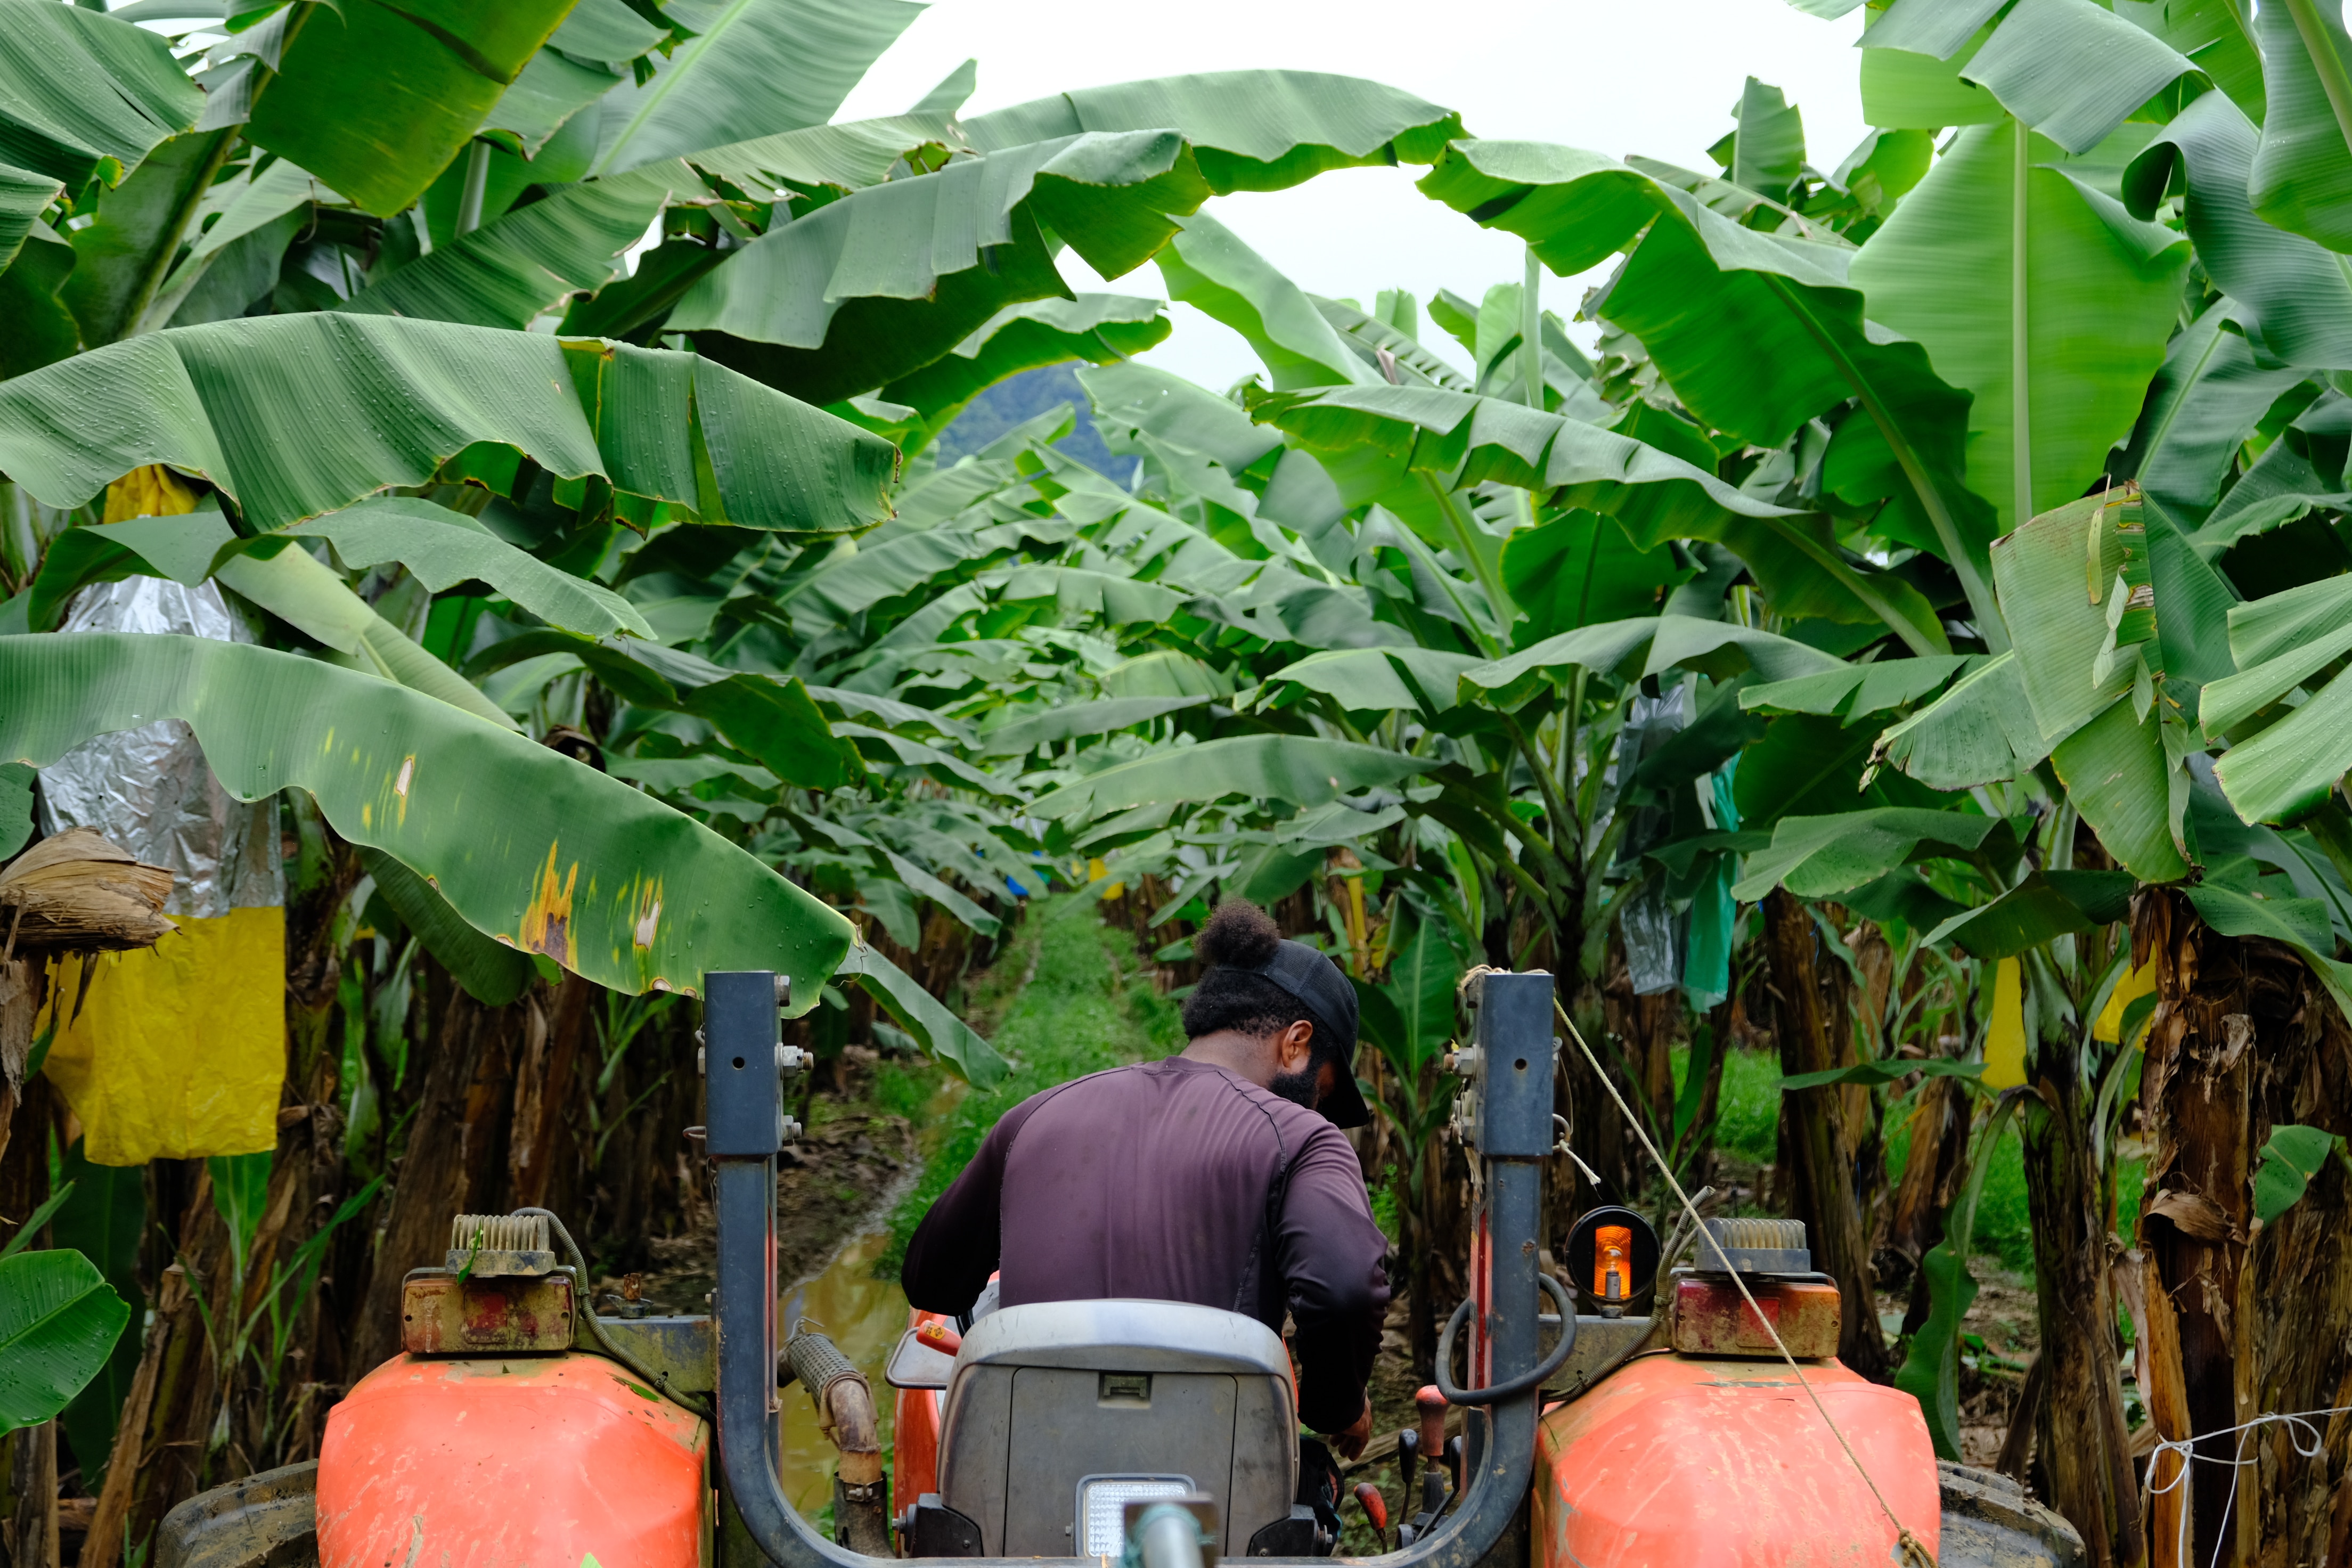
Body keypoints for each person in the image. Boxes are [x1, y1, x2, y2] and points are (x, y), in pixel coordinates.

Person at [901, 900, 1391, 1458]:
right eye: (1324, 1092)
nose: (1319, 1109)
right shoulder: (1300, 1137)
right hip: (1210, 1475)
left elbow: (931, 1281)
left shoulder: (1037, 1114)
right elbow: (1345, 1287)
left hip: (1026, 1464)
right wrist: (1337, 1407)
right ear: (1297, 1042)